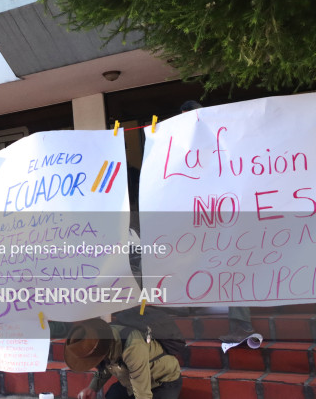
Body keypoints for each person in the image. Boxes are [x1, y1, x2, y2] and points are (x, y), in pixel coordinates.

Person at [178, 100, 254, 342]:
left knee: (232, 264)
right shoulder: (183, 145)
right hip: (201, 214)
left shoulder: (220, 140)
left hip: (227, 213)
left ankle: (241, 323)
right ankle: (188, 307)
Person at [66, 318, 182, 399]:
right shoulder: (101, 341)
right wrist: (92, 388)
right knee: (113, 395)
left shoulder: (133, 346)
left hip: (162, 380)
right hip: (132, 382)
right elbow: (106, 365)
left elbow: (143, 393)